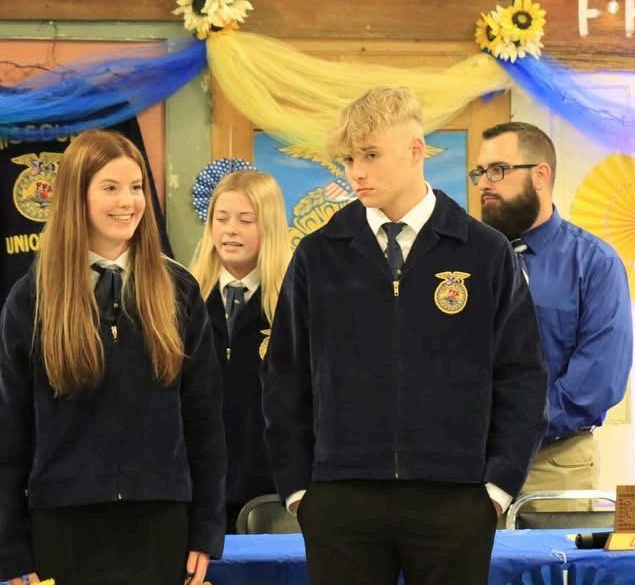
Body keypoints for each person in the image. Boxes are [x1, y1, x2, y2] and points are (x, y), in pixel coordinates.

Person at [260, 86, 547, 585]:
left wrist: (498, 487)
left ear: (415, 151)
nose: (356, 172)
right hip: (340, 499)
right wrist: (299, 491)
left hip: (456, 498)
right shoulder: (318, 255)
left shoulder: (484, 252)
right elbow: (284, 375)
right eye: (349, 159)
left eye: (370, 155)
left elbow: (521, 375)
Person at [0, 129, 225, 585]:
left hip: (161, 525)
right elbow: (9, 432)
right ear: (76, 196)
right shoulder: (31, 298)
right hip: (63, 527)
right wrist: (11, 547)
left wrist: (206, 529)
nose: (128, 202)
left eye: (136, 187)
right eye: (110, 187)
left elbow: (204, 422)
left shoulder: (179, 290)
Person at [473, 121, 633, 502]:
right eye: (479, 172)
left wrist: (517, 426)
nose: (483, 184)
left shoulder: (594, 263)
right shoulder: (464, 261)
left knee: (556, 548)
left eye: (497, 170)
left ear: (540, 175)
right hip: (469, 463)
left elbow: (599, 380)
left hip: (556, 463)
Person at [190, 170, 291, 532]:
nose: (230, 230)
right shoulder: (183, 300)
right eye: (221, 219)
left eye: (245, 220)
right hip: (196, 492)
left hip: (272, 493)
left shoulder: (293, 303)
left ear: (269, 226)